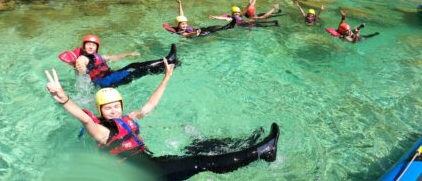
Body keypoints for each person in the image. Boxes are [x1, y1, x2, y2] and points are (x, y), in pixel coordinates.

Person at [45, 63, 280, 181]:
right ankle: (263, 152)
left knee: (196, 149)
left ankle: (246, 144)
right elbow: (84, 118)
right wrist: (63, 98)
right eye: (108, 108)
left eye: (116, 105)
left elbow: (149, 106)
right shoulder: (101, 132)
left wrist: (167, 77)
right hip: (149, 175)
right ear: (101, 111)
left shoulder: (127, 119)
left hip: (155, 164)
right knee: (200, 162)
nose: (113, 110)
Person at [58, 35, 178, 87]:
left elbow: (114, 57)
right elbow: (81, 65)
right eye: (88, 45)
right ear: (83, 47)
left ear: (97, 48)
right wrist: (79, 66)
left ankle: (168, 61)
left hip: (111, 75)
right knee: (139, 71)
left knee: (133, 65)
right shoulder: (83, 58)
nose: (90, 47)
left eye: (93, 45)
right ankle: (169, 63)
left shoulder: (98, 56)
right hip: (104, 82)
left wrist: (129, 54)